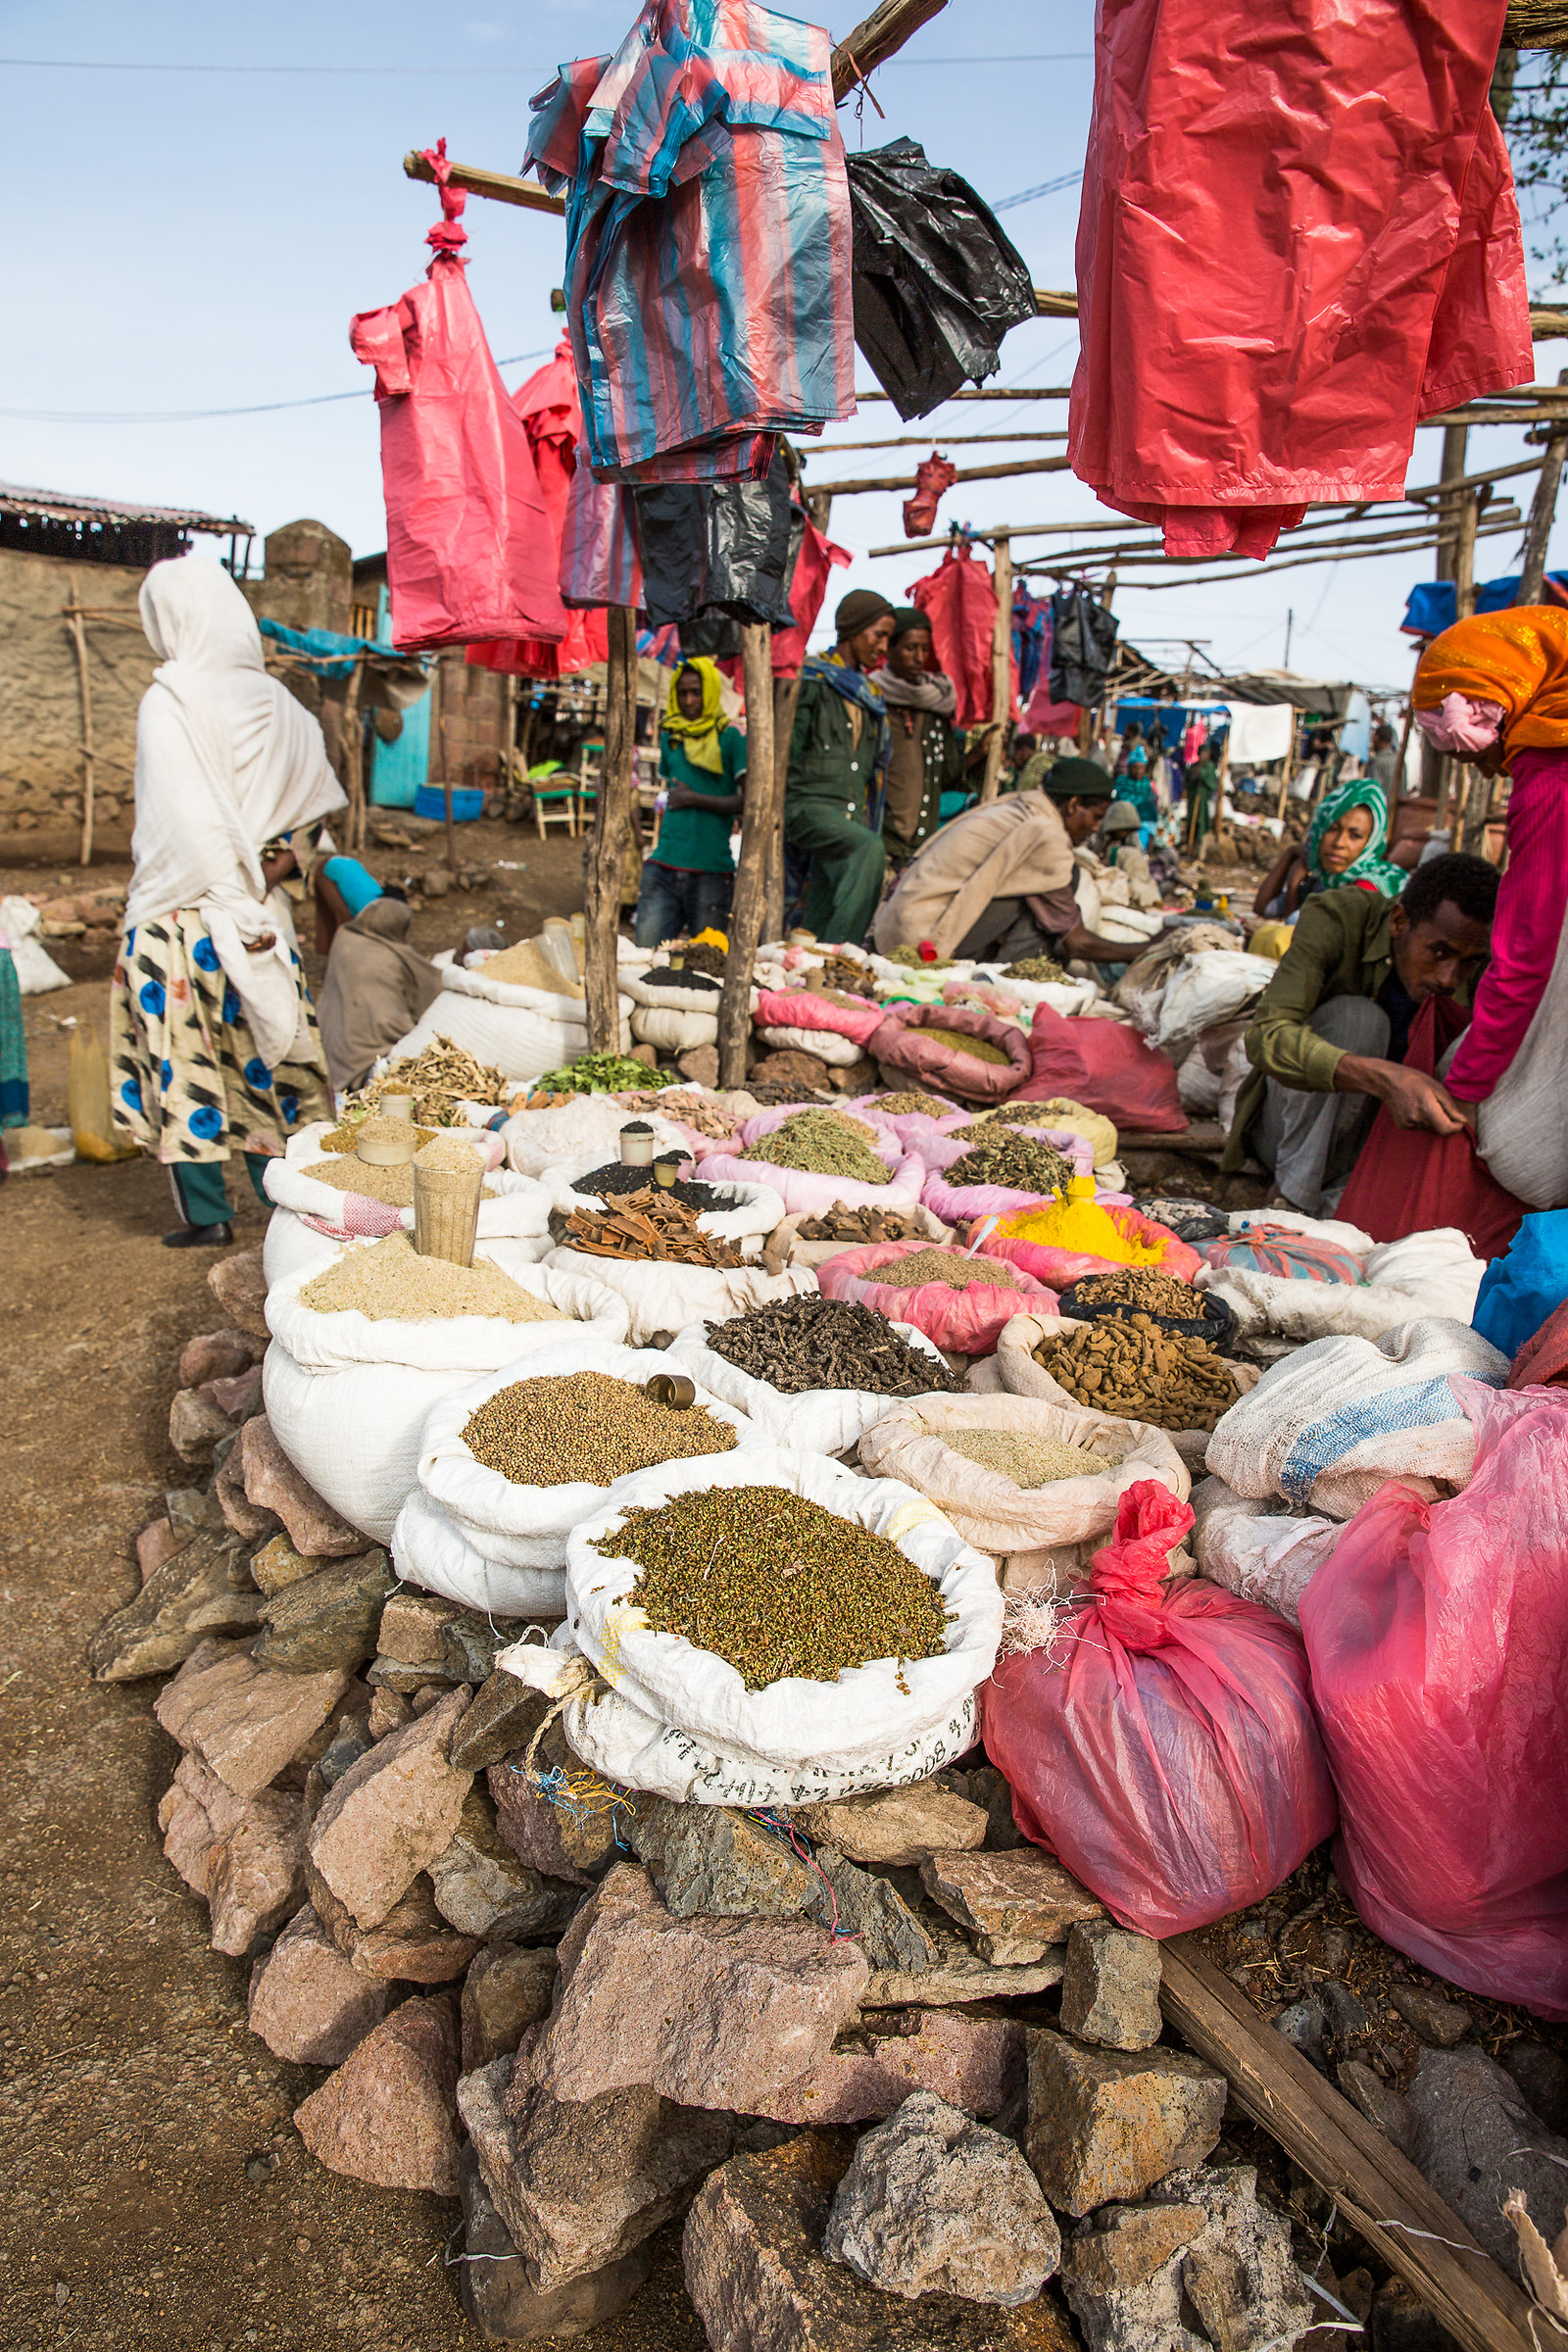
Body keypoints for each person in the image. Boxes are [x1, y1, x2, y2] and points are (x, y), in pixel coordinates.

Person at [110, 559, 343, 1247]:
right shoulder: (284, 709)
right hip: (259, 920)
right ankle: (292, 1207)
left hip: (180, 923)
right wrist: (260, 882)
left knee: (189, 1067)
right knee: (269, 1064)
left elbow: (177, 831)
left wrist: (221, 889)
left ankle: (209, 1217)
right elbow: (314, 827)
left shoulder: (171, 701)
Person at [1220, 852, 1498, 1213]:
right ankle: (1293, 1205)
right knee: (1359, 1020)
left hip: (1383, 1149)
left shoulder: (1489, 969)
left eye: (1470, 961)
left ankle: (1351, 1198)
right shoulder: (1339, 918)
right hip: (1291, 1140)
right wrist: (1384, 1078)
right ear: (1399, 921)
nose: (1449, 978)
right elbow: (1267, 1036)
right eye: (1439, 952)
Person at [1411, 608, 1568, 1115]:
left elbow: (1524, 955)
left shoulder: (1550, 774)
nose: (1487, 772)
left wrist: (1465, 1086)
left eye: (1479, 758)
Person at [872, 759, 1135, 965]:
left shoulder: (1018, 806)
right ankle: (1006, 978)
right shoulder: (1046, 834)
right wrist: (1146, 949)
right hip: (921, 941)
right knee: (1057, 891)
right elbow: (1077, 942)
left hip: (896, 929)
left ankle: (994, 964)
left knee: (1056, 887)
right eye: (1096, 817)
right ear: (1074, 805)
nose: (1097, 828)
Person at [784, 589, 894, 943]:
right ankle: (839, 956)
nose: (883, 646)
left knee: (819, 914)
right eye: (878, 635)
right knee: (868, 849)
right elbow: (786, 754)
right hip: (808, 809)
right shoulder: (813, 680)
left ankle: (809, 977)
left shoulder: (870, 698)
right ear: (853, 630)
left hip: (849, 815)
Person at [635, 657, 746, 950]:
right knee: (647, 960)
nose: (688, 700)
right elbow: (671, 793)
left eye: (696, 692)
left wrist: (694, 798)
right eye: (682, 693)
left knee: (706, 968)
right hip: (664, 864)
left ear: (709, 692)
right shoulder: (671, 737)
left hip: (711, 869)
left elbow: (749, 803)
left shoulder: (730, 738)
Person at [869, 608, 969, 864]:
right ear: (889, 648)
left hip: (921, 846)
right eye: (910, 648)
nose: (919, 657)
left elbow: (948, 774)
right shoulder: (872, 698)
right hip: (880, 839)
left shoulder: (936, 704)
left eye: (924, 649)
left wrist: (981, 752)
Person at [316, 889, 442, 1093]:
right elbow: (435, 989)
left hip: (328, 1055)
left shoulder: (343, 939)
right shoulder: (397, 957)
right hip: (371, 1058)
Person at [1252, 778, 1407, 920]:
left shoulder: (1368, 888)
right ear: (1319, 831)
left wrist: (1293, 891)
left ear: (1371, 842)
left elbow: (1301, 933)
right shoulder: (1322, 880)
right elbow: (1263, 908)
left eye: (1355, 836)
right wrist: (1290, 855)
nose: (1339, 843)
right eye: (1332, 829)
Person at [1183, 736, 1221, 855]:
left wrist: (1202, 775)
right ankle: (1190, 847)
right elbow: (1190, 778)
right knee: (1191, 822)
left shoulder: (1209, 767)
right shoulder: (1194, 766)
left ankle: (1200, 851)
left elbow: (1211, 783)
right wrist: (1199, 767)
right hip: (1193, 799)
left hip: (1204, 800)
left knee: (1202, 822)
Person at [1368, 720, 1401, 795]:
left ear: (1376, 737)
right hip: (1399, 806)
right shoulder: (1400, 760)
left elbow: (1372, 793)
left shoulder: (1375, 762)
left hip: (1382, 805)